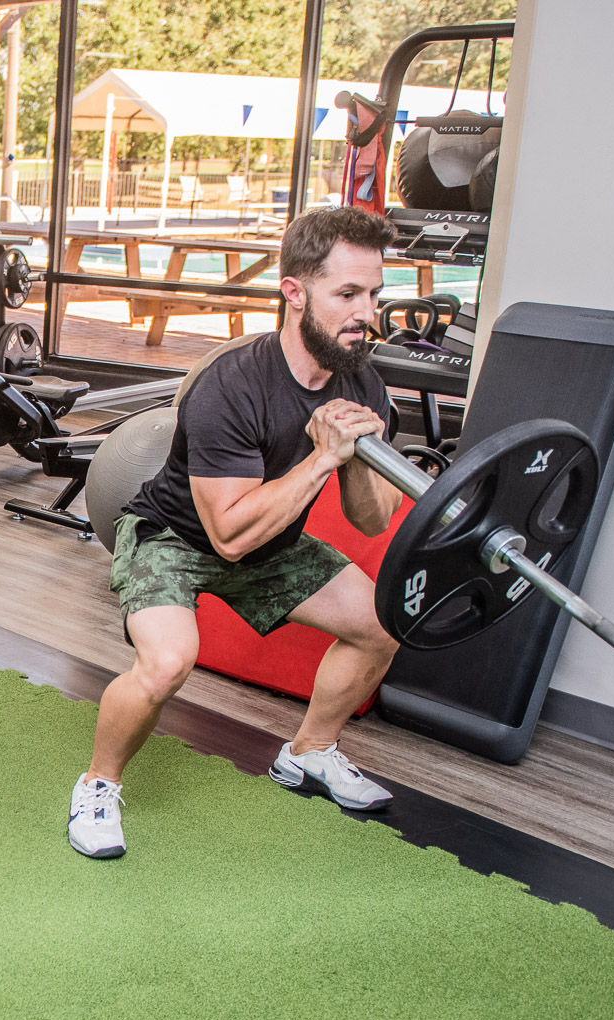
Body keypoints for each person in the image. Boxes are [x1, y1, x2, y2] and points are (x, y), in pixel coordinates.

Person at [68, 207, 406, 860]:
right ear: (294, 292)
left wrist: (360, 456)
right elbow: (227, 536)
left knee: (380, 624)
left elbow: (372, 519)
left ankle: (310, 751)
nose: (366, 313)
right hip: (174, 536)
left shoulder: (363, 381)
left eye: (373, 294)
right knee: (167, 662)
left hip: (270, 540)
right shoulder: (231, 385)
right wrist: (323, 458)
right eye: (347, 294)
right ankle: (98, 785)